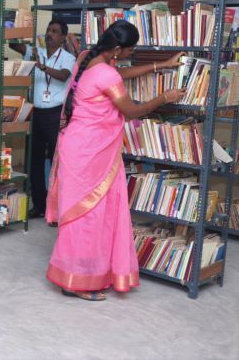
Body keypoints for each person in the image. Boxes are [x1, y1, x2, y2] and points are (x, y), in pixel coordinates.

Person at [45, 20, 186, 301]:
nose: (130, 56)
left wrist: (161, 66)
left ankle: (88, 273)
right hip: (90, 153)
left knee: (90, 216)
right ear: (118, 49)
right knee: (87, 217)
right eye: (129, 51)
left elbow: (120, 73)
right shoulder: (106, 76)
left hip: (81, 148)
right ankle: (75, 281)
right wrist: (164, 97)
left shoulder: (89, 57)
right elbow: (132, 111)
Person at [10, 19, 76, 218]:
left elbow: (64, 76)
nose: (50, 34)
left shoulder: (68, 58)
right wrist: (17, 27)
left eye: (55, 31)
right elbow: (13, 45)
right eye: (48, 30)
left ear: (63, 37)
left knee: (56, 162)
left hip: (56, 114)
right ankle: (39, 205)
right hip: (36, 114)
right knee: (34, 161)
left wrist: (42, 67)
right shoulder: (35, 52)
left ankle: (56, 208)